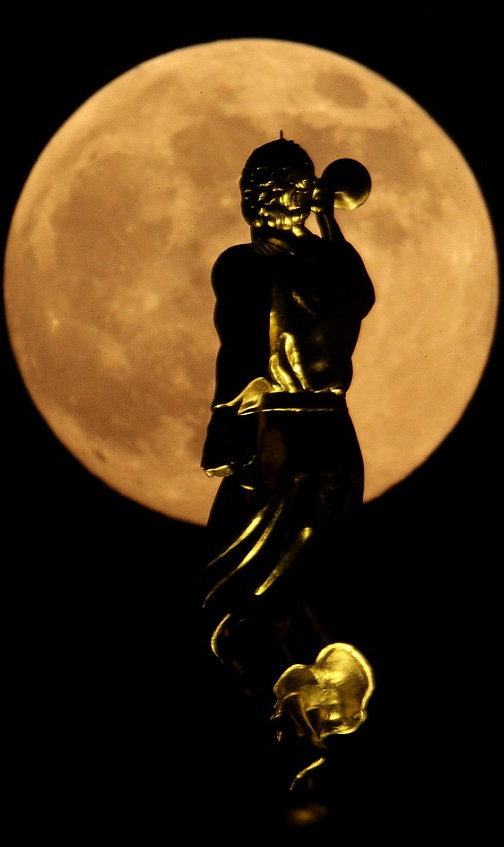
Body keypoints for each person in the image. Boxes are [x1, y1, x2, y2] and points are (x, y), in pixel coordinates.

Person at [200, 136, 376, 799]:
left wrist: (225, 430)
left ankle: (293, 721)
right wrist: (329, 217)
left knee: (240, 588)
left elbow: (242, 358)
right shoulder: (337, 265)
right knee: (309, 581)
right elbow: (358, 292)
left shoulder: (243, 267)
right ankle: (308, 715)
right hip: (337, 438)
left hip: (282, 437)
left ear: (258, 199)